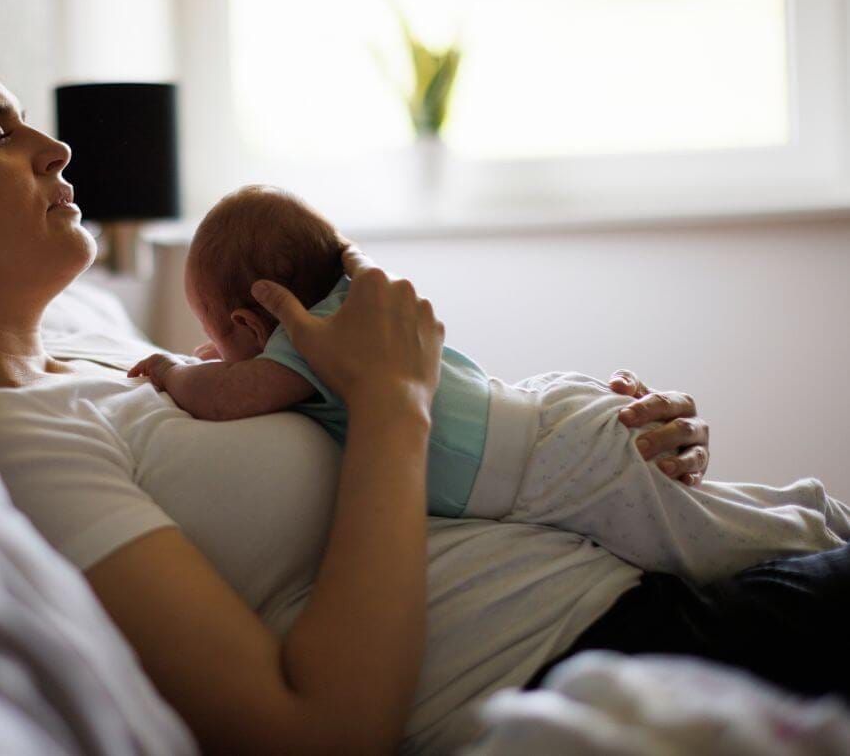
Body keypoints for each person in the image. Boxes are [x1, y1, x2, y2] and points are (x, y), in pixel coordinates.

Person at [0, 10, 849, 754]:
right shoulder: (5, 438)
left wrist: (608, 445)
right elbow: (313, 730)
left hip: (648, 587)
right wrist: (393, 404)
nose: (54, 148)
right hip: (591, 657)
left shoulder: (100, 362)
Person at [129, 185, 850, 584]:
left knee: (706, 546)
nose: (219, 356)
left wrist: (171, 370)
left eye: (218, 336)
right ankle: (808, 508)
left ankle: (811, 526)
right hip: (544, 415)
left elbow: (226, 397)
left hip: (545, 460)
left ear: (247, 323)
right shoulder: (356, 309)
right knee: (705, 516)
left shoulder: (303, 345)